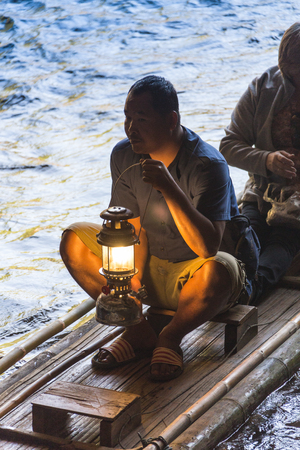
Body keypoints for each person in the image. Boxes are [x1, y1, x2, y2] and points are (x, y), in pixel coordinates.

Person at [60, 75, 248, 382]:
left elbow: (208, 246)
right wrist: (131, 281)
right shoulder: (124, 155)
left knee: (220, 270)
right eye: (127, 117)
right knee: (73, 240)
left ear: (171, 120)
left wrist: (169, 186)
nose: (131, 128)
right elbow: (134, 230)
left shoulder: (207, 164)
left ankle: (171, 337)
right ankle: (138, 331)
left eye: (141, 119)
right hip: (150, 272)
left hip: (195, 278)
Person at [220, 22, 300, 305]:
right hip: (262, 188)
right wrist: (267, 160)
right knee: (249, 230)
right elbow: (228, 146)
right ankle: (233, 283)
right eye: (289, 75)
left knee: (285, 238)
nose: (292, 82)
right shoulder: (261, 88)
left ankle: (250, 290)